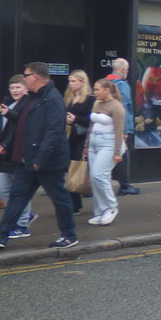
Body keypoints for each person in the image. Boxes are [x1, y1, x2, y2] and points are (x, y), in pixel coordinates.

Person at [0, 62, 78, 250]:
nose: (23, 79)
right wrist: (6, 145)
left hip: (47, 161)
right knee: (18, 196)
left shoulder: (52, 99)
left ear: (36, 77)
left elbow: (53, 132)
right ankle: (0, 235)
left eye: (26, 76)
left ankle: (69, 235)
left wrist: (40, 159)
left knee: (59, 197)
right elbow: (20, 124)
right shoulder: (32, 97)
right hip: (28, 158)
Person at [0, 75, 36, 238]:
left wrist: (9, 114)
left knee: (18, 190)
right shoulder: (11, 103)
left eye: (18, 87)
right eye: (12, 87)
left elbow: (22, 125)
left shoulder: (28, 103)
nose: (15, 90)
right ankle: (25, 213)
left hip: (18, 153)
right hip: (6, 153)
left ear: (26, 88)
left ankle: (22, 224)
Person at [85, 79, 126, 226]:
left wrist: (117, 152)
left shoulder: (117, 107)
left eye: (97, 89)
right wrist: (87, 145)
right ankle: (101, 211)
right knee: (95, 178)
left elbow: (119, 130)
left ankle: (111, 206)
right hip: (94, 144)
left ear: (107, 90)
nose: (94, 92)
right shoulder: (97, 103)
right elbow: (92, 125)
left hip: (109, 144)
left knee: (99, 175)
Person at [107, 58, 140, 196]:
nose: (127, 72)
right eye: (127, 70)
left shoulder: (104, 84)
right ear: (123, 70)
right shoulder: (122, 85)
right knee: (122, 155)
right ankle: (125, 185)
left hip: (107, 126)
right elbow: (125, 108)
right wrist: (125, 130)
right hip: (120, 127)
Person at [63, 70, 94, 215]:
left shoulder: (89, 99)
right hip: (68, 137)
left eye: (74, 81)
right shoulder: (69, 97)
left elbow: (91, 120)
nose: (71, 84)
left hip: (81, 139)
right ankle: (74, 204)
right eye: (70, 81)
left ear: (82, 82)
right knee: (68, 169)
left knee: (75, 169)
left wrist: (75, 119)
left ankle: (74, 205)